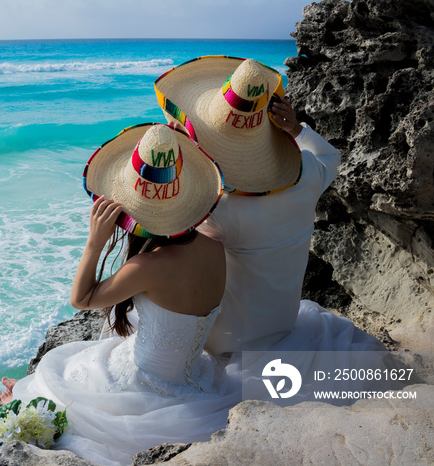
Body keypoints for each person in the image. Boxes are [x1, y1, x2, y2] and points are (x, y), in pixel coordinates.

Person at [0, 123, 241, 466]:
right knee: (69, 370)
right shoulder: (214, 242)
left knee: (58, 381)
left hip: (146, 386)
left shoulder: (148, 266)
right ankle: (26, 391)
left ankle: (23, 396)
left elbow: (81, 299)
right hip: (199, 378)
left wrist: (95, 243)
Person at [154, 56, 385, 355]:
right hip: (282, 324)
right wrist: (296, 130)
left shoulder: (217, 209)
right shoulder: (308, 174)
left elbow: (167, 233)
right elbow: (330, 157)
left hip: (228, 339)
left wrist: (182, 148)